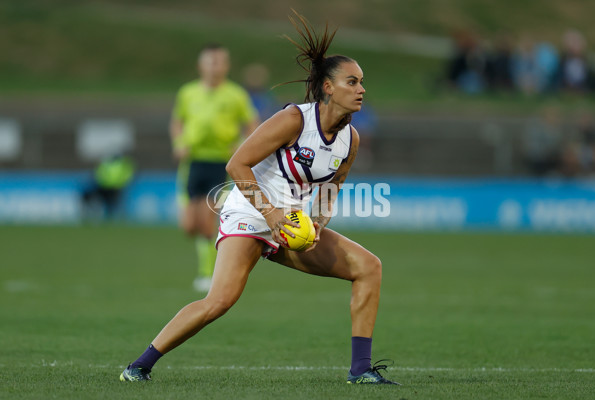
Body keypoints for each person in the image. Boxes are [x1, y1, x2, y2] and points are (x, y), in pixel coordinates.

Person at [120, 11, 398, 385]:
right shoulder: (294, 120)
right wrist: (269, 214)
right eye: (353, 82)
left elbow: (330, 189)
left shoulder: (351, 140)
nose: (362, 89)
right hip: (251, 214)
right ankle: (138, 366)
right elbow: (237, 165)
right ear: (329, 88)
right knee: (219, 301)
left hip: (287, 223)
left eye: (363, 82)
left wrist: (315, 223)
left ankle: (361, 370)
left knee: (369, 267)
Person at [170, 44, 260, 292]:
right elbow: (177, 121)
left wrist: (241, 146)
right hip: (193, 163)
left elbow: (253, 124)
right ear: (201, 65)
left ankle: (207, 274)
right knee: (190, 226)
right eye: (211, 61)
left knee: (209, 222)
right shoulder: (188, 93)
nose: (215, 66)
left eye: (220, 62)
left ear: (226, 66)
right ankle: (207, 267)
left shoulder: (236, 95)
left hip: (222, 164)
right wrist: (179, 143)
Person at [81, 153, 135, 220]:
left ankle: (111, 218)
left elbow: (126, 177)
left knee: (111, 204)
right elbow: (98, 174)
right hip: (103, 187)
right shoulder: (107, 164)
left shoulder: (121, 165)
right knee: (105, 202)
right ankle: (94, 215)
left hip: (114, 188)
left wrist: (119, 185)